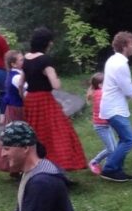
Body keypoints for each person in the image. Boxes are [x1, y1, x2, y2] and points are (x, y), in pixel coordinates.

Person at [18, 27, 87, 173]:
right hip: (44, 100)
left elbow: (20, 84)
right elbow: (56, 85)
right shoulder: (45, 60)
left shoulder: (26, 58)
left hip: (30, 100)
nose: (51, 44)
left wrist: (23, 99)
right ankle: (58, 163)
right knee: (57, 131)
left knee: (34, 133)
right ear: (46, 43)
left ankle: (33, 163)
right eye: (50, 41)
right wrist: (56, 78)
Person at [100, 31, 132, 182]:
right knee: (129, 140)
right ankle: (109, 169)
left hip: (111, 107)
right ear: (124, 46)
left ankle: (117, 170)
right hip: (114, 109)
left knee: (124, 139)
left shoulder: (113, 60)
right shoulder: (120, 64)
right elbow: (127, 88)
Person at [0, 50, 26, 175]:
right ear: (13, 64)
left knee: (13, 136)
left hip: (13, 108)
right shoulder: (16, 77)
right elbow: (25, 90)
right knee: (17, 137)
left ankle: (16, 166)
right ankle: (14, 165)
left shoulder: (15, 74)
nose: (24, 61)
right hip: (17, 109)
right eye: (21, 60)